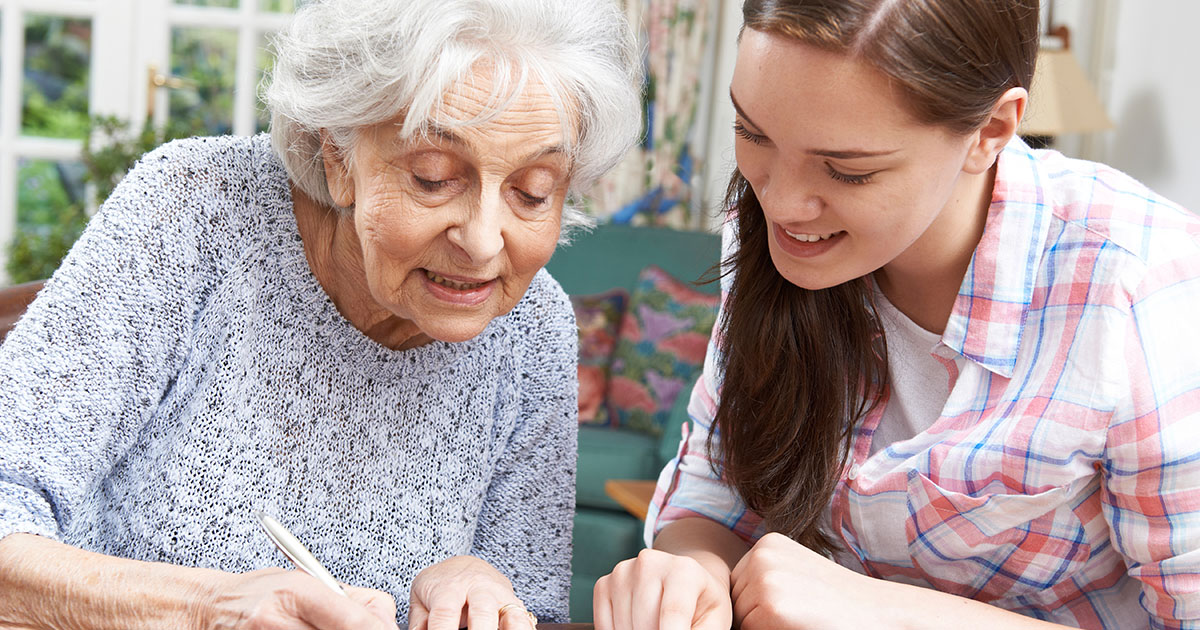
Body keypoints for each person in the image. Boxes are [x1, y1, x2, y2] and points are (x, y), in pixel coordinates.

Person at [0, 1, 640, 629]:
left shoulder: (534, 326)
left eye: (533, 191)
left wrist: (482, 584)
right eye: (434, 177)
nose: (482, 240)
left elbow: (535, 606)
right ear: (339, 160)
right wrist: (208, 610)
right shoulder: (193, 210)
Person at [594, 0, 1200, 629]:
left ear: (991, 131)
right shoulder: (776, 234)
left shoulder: (1140, 287)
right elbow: (714, 495)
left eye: (847, 171)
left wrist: (881, 612)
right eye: (753, 134)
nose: (780, 201)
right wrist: (687, 573)